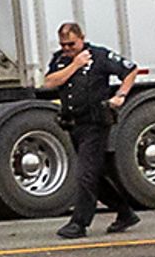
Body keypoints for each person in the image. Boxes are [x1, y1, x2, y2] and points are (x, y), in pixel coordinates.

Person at [40, 22, 145, 238]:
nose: (67, 49)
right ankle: (125, 212)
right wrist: (75, 65)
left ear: (82, 38)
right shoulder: (61, 60)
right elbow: (50, 82)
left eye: (71, 44)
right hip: (73, 123)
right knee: (94, 173)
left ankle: (79, 223)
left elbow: (131, 70)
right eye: (64, 45)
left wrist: (121, 95)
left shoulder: (99, 56)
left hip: (95, 122)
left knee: (85, 174)